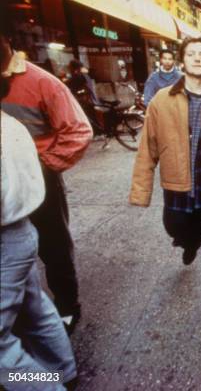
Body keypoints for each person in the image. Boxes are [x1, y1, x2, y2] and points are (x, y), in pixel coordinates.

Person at [129, 36, 201, 312]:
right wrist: (140, 191)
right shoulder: (161, 100)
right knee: (176, 228)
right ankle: (192, 241)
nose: (197, 58)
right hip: (179, 190)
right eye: (191, 54)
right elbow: (148, 148)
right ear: (183, 61)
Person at [1, 35, 93, 335]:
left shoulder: (42, 82)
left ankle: (67, 306)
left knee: (53, 247)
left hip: (39, 183)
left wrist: (44, 166)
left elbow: (78, 131)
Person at [0, 65, 78, 390]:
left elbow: (77, 131)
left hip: (6, 238)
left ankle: (45, 384)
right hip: (20, 231)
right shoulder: (12, 125)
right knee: (36, 309)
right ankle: (64, 372)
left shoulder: (42, 85)